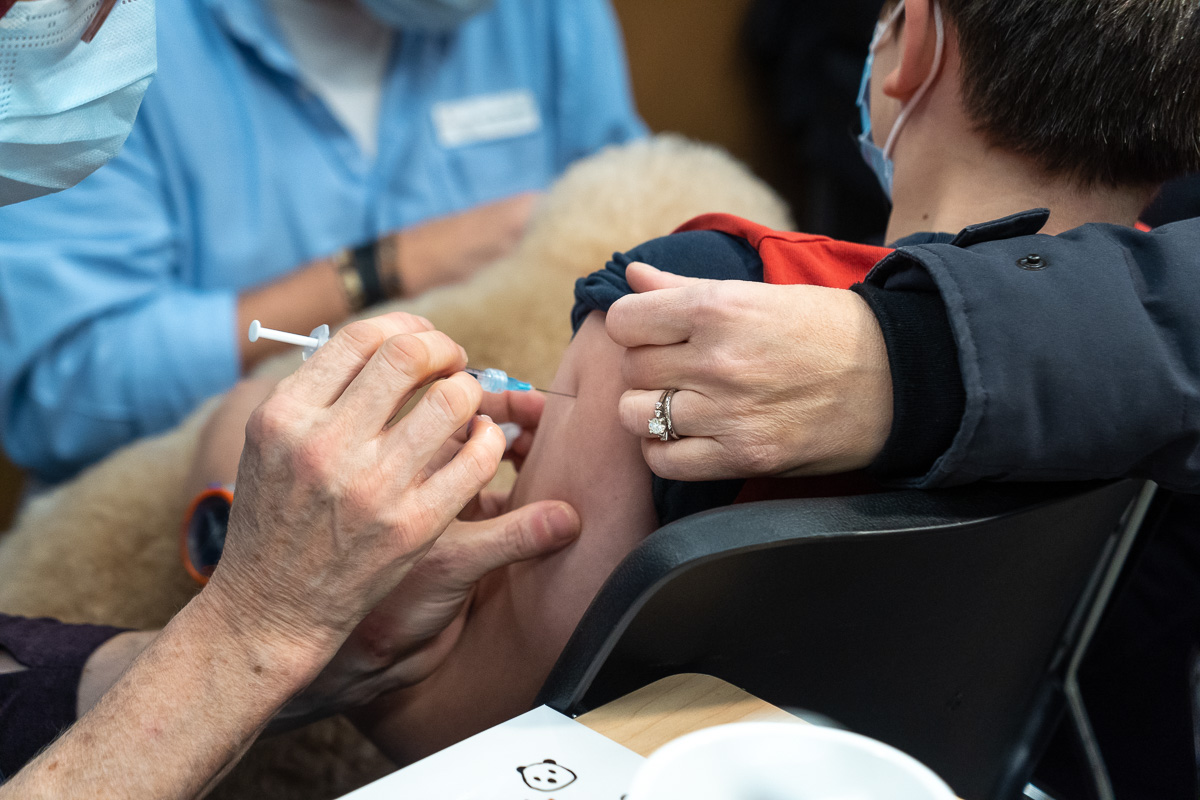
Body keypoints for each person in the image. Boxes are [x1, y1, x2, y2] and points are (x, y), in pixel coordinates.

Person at [340, 4, 1200, 794]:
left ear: (917, 45)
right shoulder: (1163, 389)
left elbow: (507, 733)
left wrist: (346, 652)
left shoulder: (686, 304)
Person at [0, 1, 582, 792]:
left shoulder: (547, 17)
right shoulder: (97, 53)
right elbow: (64, 391)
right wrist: (259, 612)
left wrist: (273, 643)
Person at [0, 0, 645, 483]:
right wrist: (391, 266)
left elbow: (641, 232)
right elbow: (61, 397)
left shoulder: (546, 15)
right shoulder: (109, 35)